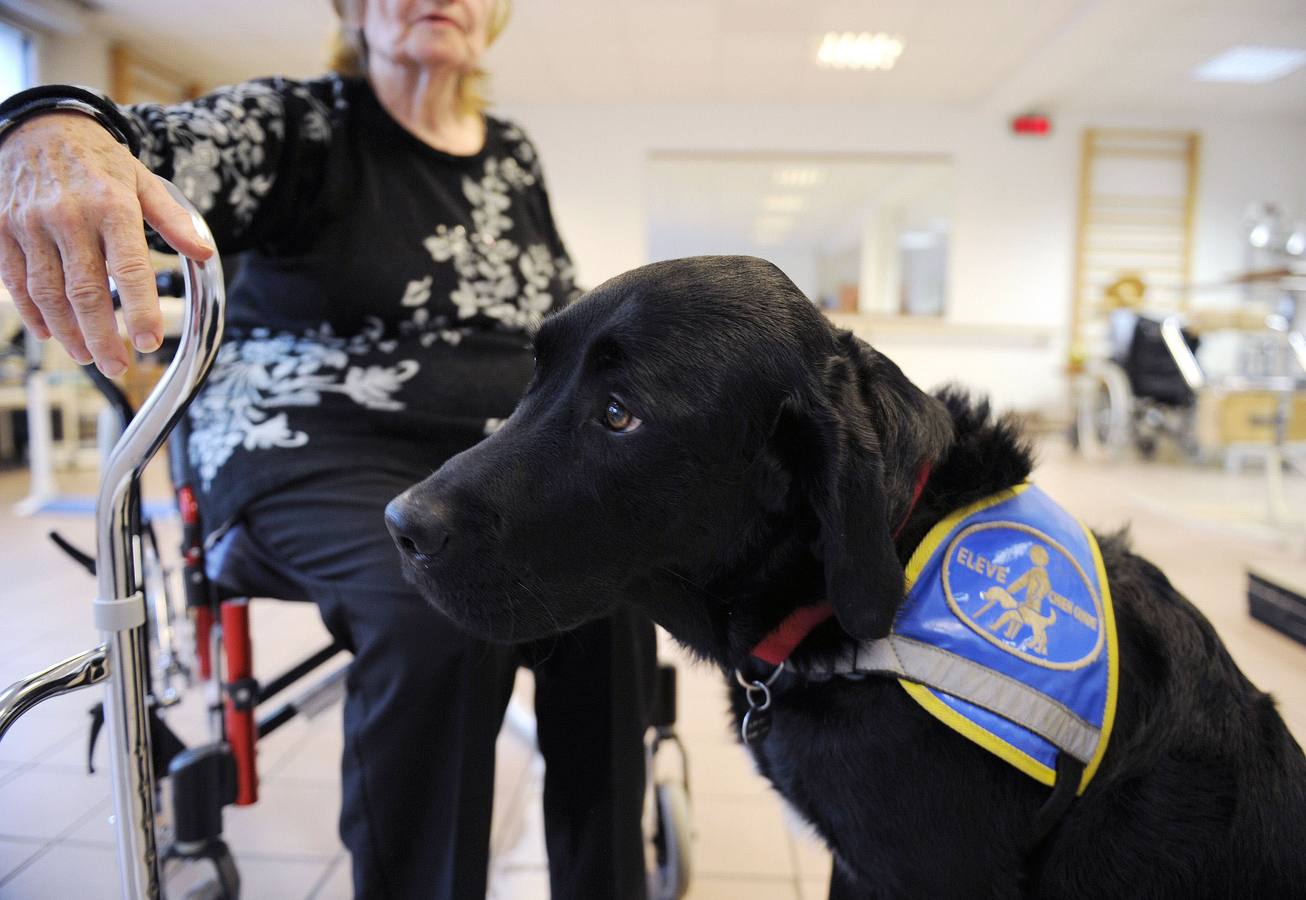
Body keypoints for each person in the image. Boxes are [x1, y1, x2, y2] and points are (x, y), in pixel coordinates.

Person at [0, 1, 656, 897]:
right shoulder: (300, 126)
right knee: (440, 611)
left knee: (615, 590)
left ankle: (606, 883)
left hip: (487, 453)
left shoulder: (512, 153)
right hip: (307, 446)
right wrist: (45, 124)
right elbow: (142, 144)